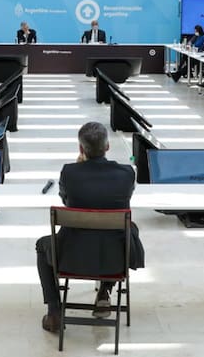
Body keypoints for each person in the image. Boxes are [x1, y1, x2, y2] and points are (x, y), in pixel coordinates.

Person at [35, 122, 145, 334]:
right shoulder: (126, 173)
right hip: (116, 259)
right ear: (107, 147)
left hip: (71, 256)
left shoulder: (69, 172)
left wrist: (79, 167)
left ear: (81, 149)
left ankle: (54, 312)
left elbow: (67, 202)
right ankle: (105, 290)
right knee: (126, 228)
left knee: (43, 245)